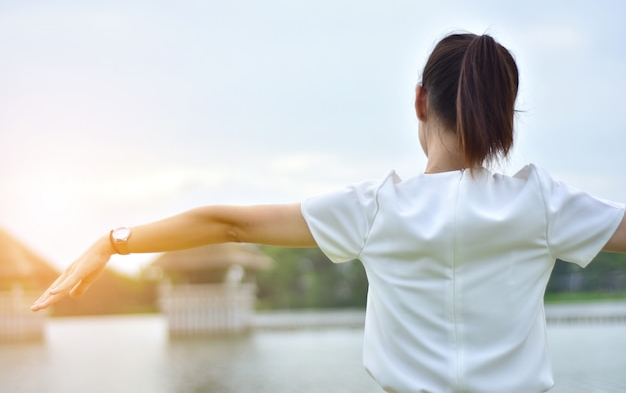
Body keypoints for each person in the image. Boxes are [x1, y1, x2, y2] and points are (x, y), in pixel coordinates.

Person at [31, 32, 626, 393]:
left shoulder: (373, 211)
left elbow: (227, 222)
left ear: (420, 100)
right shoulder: (541, 204)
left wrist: (113, 241)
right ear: (504, 114)